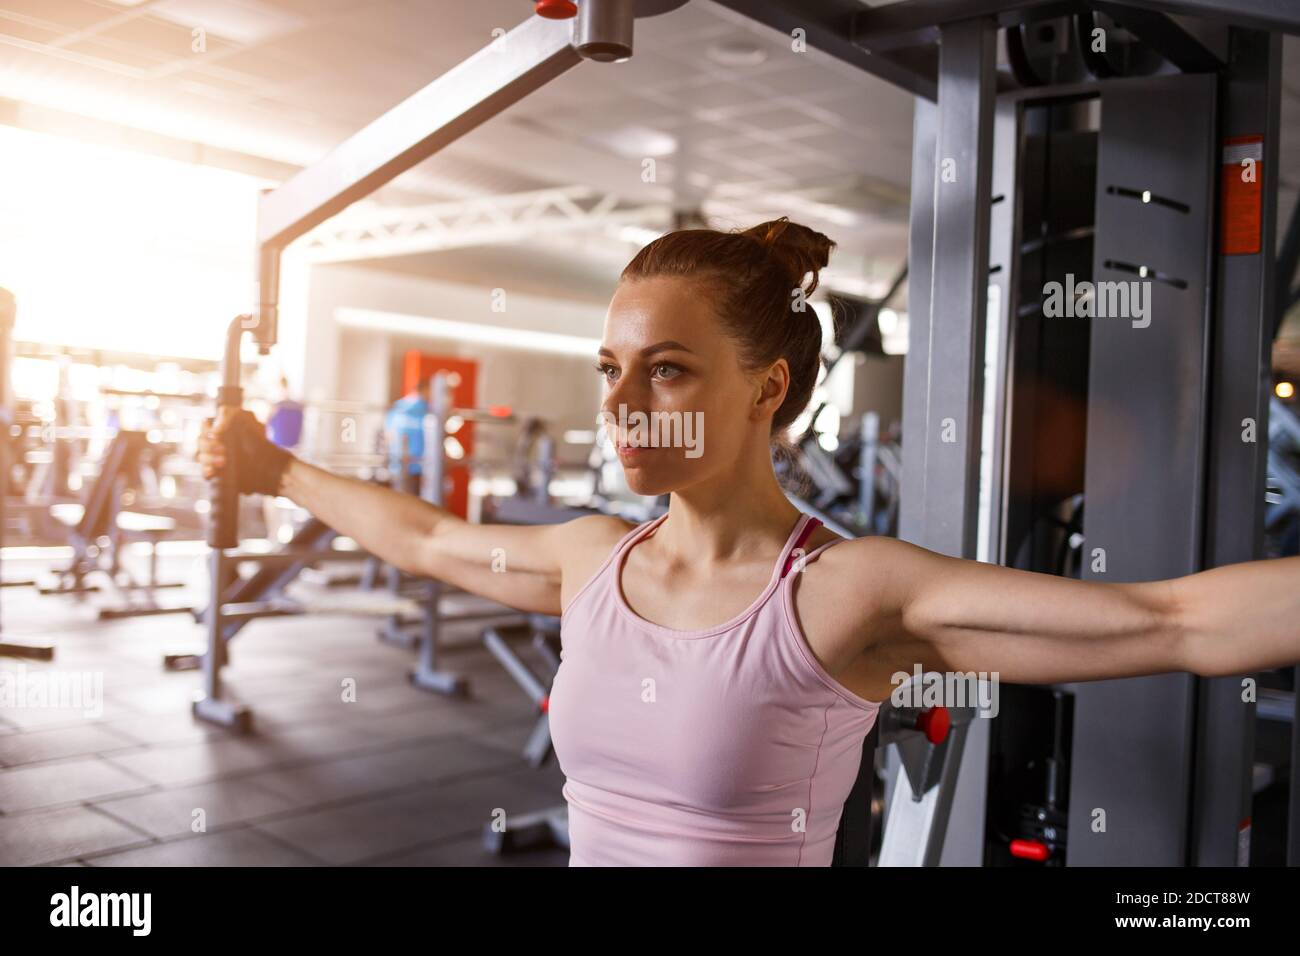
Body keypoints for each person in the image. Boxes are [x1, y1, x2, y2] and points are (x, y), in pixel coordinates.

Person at [200, 217, 1300, 867]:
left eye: (665, 367)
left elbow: (1173, 619)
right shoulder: (594, 559)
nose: (624, 401)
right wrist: (272, 466)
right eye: (610, 368)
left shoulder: (842, 593)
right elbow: (431, 539)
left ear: (766, 387)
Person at [262, 376, 303, 542]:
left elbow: (265, 428)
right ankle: (287, 532)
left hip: (277, 453)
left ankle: (274, 534)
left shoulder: (276, 406)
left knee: (271, 495)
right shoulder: (298, 406)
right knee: (291, 492)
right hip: (294, 452)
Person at [382, 377, 432, 497]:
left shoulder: (398, 406)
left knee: (401, 498)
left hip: (399, 462)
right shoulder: (425, 408)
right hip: (418, 464)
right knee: (418, 501)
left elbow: (388, 434)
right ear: (425, 390)